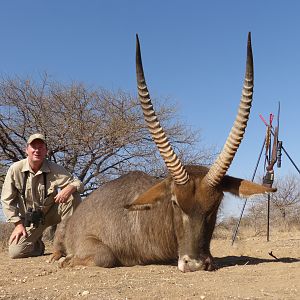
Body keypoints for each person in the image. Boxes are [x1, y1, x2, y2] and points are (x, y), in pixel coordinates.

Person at [1, 133, 83, 258]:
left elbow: (77, 182)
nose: (37, 150)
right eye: (34, 147)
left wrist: (70, 187)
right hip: (30, 220)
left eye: (41, 147)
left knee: (73, 196)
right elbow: (7, 200)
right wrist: (18, 224)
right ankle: (38, 245)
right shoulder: (15, 169)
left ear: (46, 151)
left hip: (52, 212)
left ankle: (67, 243)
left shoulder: (54, 168)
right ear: (26, 149)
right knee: (15, 252)